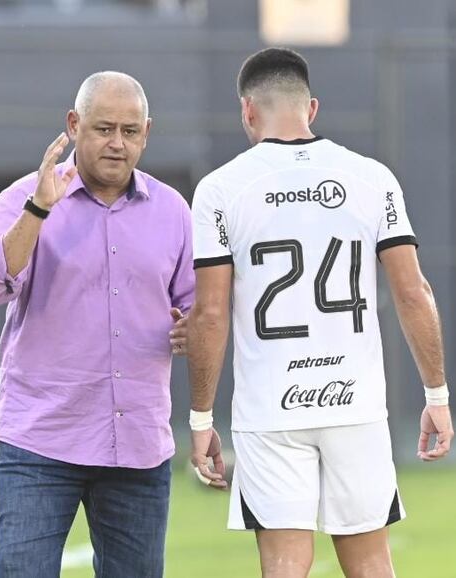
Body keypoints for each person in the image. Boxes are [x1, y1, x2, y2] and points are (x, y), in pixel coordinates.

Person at [186, 47, 454, 578]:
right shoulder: (372, 177)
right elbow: (413, 292)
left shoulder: (219, 189)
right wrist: (437, 396)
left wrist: (200, 419)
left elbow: (210, 313)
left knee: (285, 564)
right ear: (311, 109)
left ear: (247, 111)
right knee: (372, 564)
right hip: (355, 402)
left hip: (271, 409)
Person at [0, 71, 215, 578]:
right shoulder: (26, 197)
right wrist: (38, 211)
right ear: (74, 125)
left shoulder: (173, 211)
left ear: (147, 132)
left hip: (138, 447)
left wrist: (191, 328)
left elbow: (199, 309)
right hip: (41, 440)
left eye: (130, 131)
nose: (117, 144)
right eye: (104, 129)